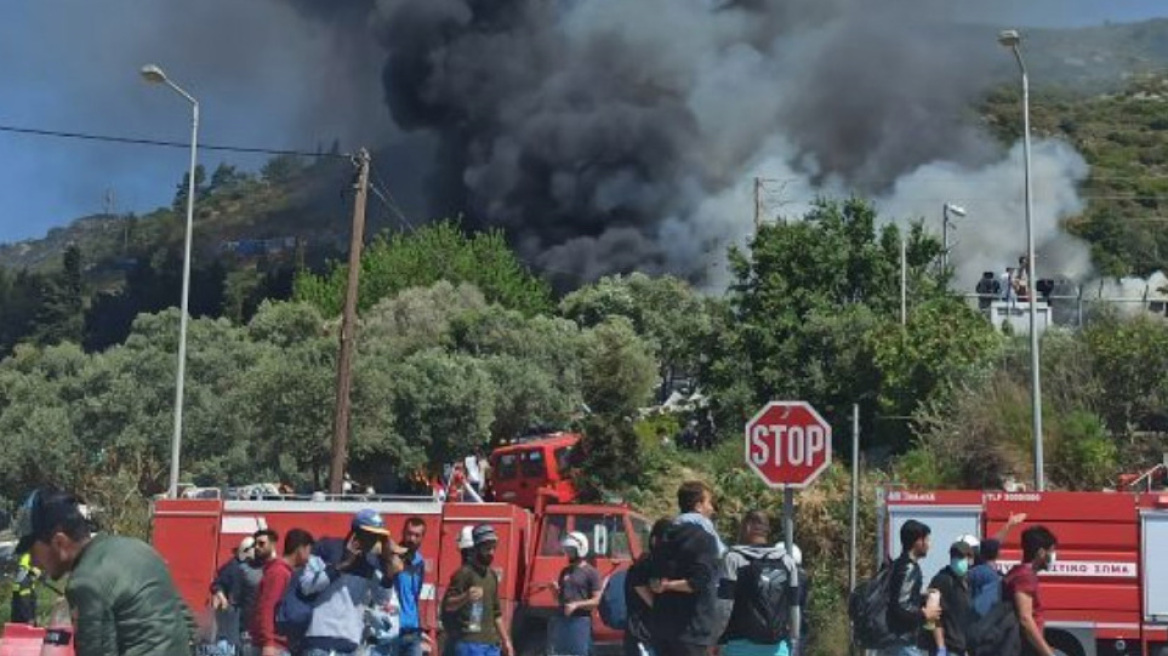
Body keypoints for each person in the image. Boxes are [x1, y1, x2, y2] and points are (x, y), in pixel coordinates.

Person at [14, 487, 193, 656]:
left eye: (32, 551)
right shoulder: (138, 548)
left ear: (60, 543)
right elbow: (187, 621)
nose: (34, 562)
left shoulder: (86, 582)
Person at [299, 509, 406, 656]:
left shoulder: (371, 563)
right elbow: (306, 586)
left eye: (377, 537)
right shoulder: (327, 548)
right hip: (319, 641)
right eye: (369, 535)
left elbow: (382, 599)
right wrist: (342, 566)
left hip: (350, 645)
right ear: (356, 533)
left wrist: (389, 576)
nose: (373, 541)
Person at [648, 482, 723, 656]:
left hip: (663, 628)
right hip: (692, 630)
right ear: (698, 506)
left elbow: (653, 579)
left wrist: (664, 585)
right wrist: (670, 585)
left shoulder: (665, 535)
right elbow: (698, 581)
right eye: (709, 503)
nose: (712, 509)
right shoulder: (704, 537)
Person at [718, 510, 794, 656]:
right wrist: (793, 636)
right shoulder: (787, 561)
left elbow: (724, 606)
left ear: (747, 527)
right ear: (767, 530)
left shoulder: (733, 558)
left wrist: (716, 637)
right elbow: (794, 606)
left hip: (739, 644)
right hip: (777, 646)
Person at [443, 525, 514, 656]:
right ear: (477, 548)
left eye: (493, 548)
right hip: (468, 644)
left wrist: (506, 641)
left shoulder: (492, 576)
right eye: (487, 549)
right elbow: (448, 605)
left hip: (491, 644)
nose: (491, 552)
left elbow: (496, 614)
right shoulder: (464, 573)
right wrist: (466, 596)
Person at [252, 528, 316, 656]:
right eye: (309, 551)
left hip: (279, 645)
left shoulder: (284, 572)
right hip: (274, 647)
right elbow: (267, 607)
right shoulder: (280, 573)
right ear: (300, 549)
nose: (309, 558)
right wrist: (268, 643)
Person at [882, 519, 942, 656]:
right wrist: (925, 614)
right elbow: (901, 605)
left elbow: (898, 597)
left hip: (894, 640)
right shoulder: (909, 568)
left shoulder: (897, 564)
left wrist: (922, 597)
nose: (929, 545)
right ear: (918, 542)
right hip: (904, 642)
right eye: (927, 540)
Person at [379, 517, 428, 656]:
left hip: (413, 631)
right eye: (409, 533)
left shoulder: (420, 562)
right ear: (403, 532)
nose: (411, 538)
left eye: (417, 535)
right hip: (393, 630)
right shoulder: (392, 556)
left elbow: (415, 595)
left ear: (422, 537)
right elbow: (382, 589)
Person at [1007, 526, 1059, 656]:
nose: (1053, 556)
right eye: (1051, 551)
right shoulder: (1025, 576)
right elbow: (1025, 619)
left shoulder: (1017, 572)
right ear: (1041, 552)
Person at [547, 532, 602, 656]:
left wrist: (576, 605)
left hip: (581, 623)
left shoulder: (591, 573)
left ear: (582, 549)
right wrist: (554, 591)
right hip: (563, 621)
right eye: (567, 549)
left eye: (571, 550)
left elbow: (596, 601)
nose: (568, 553)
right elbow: (559, 600)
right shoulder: (565, 571)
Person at [966, 512, 1027, 619]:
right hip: (987, 624)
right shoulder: (993, 576)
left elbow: (993, 543)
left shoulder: (973, 571)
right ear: (999, 554)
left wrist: (1009, 525)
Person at [626, 519, 672, 656]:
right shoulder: (644, 564)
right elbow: (652, 601)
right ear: (654, 540)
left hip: (656, 635)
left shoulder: (659, 564)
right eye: (667, 538)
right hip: (642, 634)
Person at [926, 541, 975, 656]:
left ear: (970, 558)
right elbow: (933, 617)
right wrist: (941, 647)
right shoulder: (942, 580)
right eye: (955, 556)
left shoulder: (966, 581)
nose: (958, 560)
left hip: (962, 649)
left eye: (962, 556)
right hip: (948, 648)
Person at [10, 550, 40, 625]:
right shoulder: (25, 582)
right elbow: (25, 602)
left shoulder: (23, 581)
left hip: (18, 621)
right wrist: (29, 619)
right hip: (24, 623)